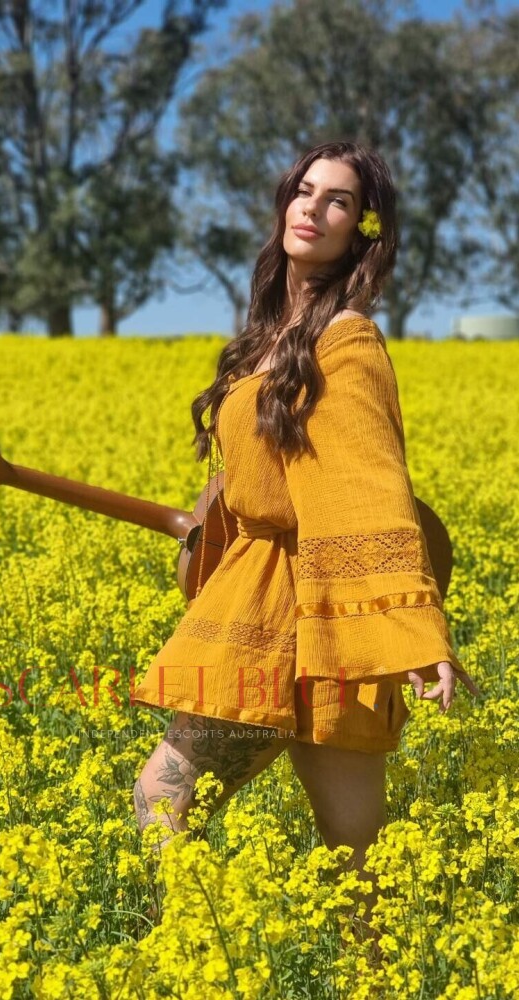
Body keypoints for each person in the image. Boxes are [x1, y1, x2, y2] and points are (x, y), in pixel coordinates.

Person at [131, 140, 482, 948]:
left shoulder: (346, 340)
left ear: (361, 230)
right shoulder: (270, 338)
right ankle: (242, 967)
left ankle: (196, 962)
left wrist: (411, 629)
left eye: (337, 200)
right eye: (304, 190)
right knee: (355, 863)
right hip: (267, 596)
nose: (312, 208)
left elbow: (369, 486)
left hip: (304, 609)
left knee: (170, 801)